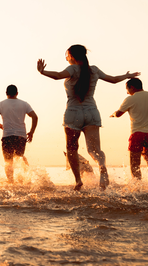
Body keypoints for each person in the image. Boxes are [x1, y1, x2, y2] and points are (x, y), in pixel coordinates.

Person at [37, 45, 139, 191]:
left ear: (72, 56)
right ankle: (102, 166)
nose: (66, 58)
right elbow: (114, 79)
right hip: (92, 112)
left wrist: (42, 72)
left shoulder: (72, 69)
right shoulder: (94, 70)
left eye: (67, 55)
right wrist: (127, 76)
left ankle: (78, 181)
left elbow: (57, 75)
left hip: (73, 113)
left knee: (71, 148)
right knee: (94, 149)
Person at [0, 85, 38, 183]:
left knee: (8, 161)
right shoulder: (24, 104)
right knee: (19, 156)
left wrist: (1, 126)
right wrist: (31, 132)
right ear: (17, 93)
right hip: (21, 136)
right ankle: (27, 177)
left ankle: (11, 183)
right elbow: (35, 117)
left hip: (7, 136)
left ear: (6, 93)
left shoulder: (1, 104)